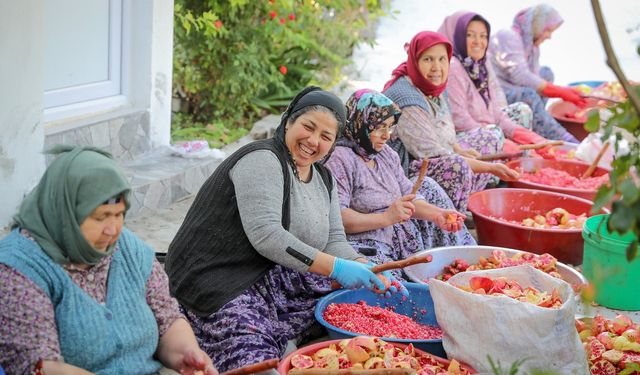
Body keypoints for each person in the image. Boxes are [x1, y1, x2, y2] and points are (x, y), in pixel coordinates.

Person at [164, 87, 404, 373]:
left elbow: (334, 240)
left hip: (265, 273)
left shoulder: (323, 178)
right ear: (288, 121)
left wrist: (364, 265)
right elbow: (267, 236)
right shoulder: (262, 159)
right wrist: (337, 268)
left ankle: (283, 333)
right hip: (217, 275)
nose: (313, 141)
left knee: (346, 302)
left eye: (326, 137)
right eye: (308, 127)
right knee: (251, 350)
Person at [0, 146, 217, 375]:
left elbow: (167, 318)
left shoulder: (128, 249)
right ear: (64, 211)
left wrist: (185, 353)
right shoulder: (19, 268)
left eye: (119, 214)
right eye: (100, 217)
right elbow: (40, 366)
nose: (113, 229)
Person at [324, 89, 476, 271]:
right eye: (379, 127)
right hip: (366, 244)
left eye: (389, 127)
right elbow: (338, 218)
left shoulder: (385, 154)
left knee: (429, 186)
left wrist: (438, 215)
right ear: (360, 122)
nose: (386, 135)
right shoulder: (340, 159)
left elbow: (408, 196)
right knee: (380, 280)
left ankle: (461, 261)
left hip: (397, 235)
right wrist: (386, 218)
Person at [383, 31, 520, 213]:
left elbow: (444, 128)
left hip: (438, 154)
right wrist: (490, 167)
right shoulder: (406, 98)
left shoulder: (435, 87)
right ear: (415, 61)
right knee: (458, 166)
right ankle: (453, 214)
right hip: (408, 171)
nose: (436, 68)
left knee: (491, 136)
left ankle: (465, 198)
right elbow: (432, 154)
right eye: (428, 59)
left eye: (442, 59)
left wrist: (458, 149)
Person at [438, 11, 550, 154]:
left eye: (483, 36)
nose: (478, 41)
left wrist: (528, 137)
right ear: (459, 36)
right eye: (470, 35)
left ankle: (527, 158)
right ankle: (515, 162)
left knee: (522, 111)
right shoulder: (453, 67)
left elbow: (496, 113)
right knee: (496, 134)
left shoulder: (480, 66)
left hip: (487, 129)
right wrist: (500, 140)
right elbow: (460, 119)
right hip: (461, 139)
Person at [489, 4, 585, 143]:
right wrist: (562, 92)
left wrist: (566, 92)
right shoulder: (508, 36)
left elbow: (535, 79)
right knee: (529, 95)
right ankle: (564, 140)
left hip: (514, 90)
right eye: (548, 30)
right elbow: (521, 76)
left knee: (546, 73)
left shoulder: (533, 48)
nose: (550, 36)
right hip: (498, 96)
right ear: (537, 25)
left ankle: (539, 123)